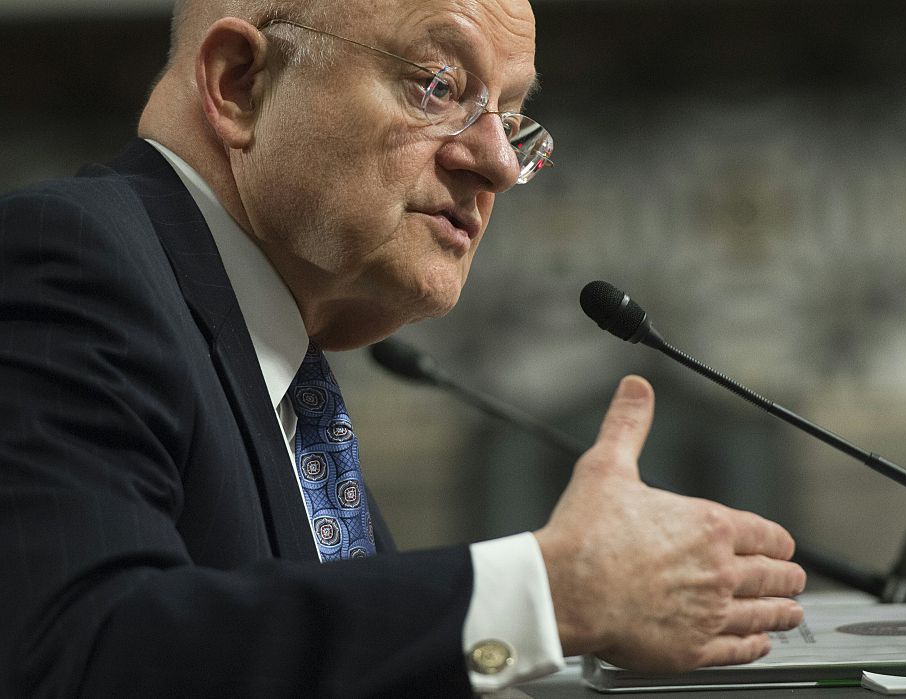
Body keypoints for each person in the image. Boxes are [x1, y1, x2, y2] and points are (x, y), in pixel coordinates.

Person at [0, 0, 806, 695]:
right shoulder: (72, 259)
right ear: (240, 83)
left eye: (514, 120)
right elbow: (81, 654)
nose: (495, 162)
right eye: (439, 86)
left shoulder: (274, 358)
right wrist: (553, 592)